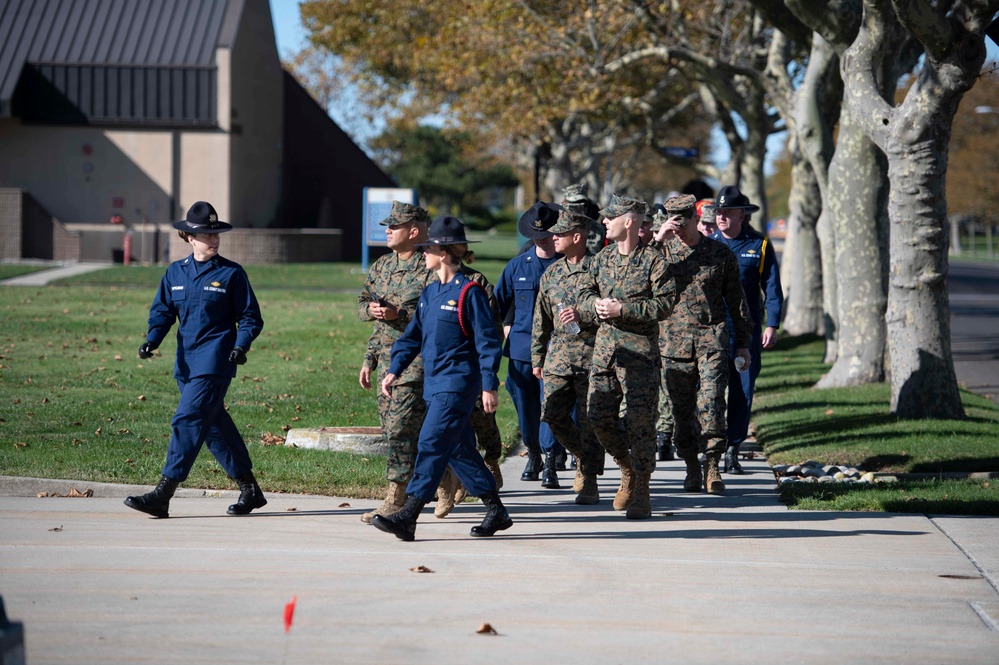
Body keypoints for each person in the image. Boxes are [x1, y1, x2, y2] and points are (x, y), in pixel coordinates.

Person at [373, 216, 510, 541]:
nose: (422, 254)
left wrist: (489, 384)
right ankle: (496, 509)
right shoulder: (431, 292)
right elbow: (412, 337)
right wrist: (394, 368)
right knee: (458, 448)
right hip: (434, 385)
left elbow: (488, 342)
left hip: (458, 385)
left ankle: (409, 514)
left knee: (431, 443)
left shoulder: (469, 293)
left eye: (428, 248)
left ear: (444, 252)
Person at [124, 201, 264, 518]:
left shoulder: (231, 274)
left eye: (216, 234)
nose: (213, 240)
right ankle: (250, 489)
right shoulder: (175, 272)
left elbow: (250, 318)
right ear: (189, 236)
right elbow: (162, 312)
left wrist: (241, 346)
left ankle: (163, 493)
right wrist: (151, 340)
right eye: (206, 235)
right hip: (185, 364)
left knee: (187, 420)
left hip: (216, 361)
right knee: (213, 426)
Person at [577, 194, 673, 519]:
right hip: (605, 354)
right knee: (598, 418)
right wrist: (595, 306)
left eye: (611, 217)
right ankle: (626, 465)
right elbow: (583, 292)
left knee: (641, 424)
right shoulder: (601, 258)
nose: (605, 221)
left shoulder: (654, 262)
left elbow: (665, 304)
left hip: (639, 358)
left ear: (628, 221)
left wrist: (624, 309)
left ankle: (642, 491)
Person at [652, 195, 753, 494]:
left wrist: (743, 344)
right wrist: (659, 239)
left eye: (683, 223)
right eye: (674, 224)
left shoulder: (720, 254)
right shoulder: (660, 254)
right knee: (681, 413)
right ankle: (691, 468)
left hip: (711, 341)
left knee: (711, 404)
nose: (679, 230)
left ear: (697, 219)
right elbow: (634, 275)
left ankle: (712, 465)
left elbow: (737, 301)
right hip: (672, 345)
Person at [356, 201, 433, 524]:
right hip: (386, 361)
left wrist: (400, 313)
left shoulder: (429, 267)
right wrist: (369, 358)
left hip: (417, 362)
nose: (387, 230)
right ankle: (443, 479)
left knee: (401, 430)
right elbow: (364, 305)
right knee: (395, 430)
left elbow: (436, 315)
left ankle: (396, 497)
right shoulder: (381, 267)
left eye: (395, 226)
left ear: (413, 232)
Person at [532, 208, 605, 504]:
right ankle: (581, 456)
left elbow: (611, 310)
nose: (554, 237)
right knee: (551, 413)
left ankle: (588, 477)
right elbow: (541, 318)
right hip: (559, 357)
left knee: (591, 421)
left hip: (593, 355)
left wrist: (584, 313)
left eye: (560, 233)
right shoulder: (552, 272)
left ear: (577, 237)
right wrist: (537, 357)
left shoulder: (599, 268)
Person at [711, 186, 784, 474]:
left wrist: (772, 324)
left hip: (746, 332)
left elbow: (772, 288)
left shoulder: (760, 245)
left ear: (742, 215)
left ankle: (733, 448)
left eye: (728, 213)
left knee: (742, 391)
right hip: (712, 332)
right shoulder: (708, 246)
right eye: (719, 213)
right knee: (711, 391)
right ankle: (712, 448)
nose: (722, 218)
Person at [495, 201, 564, 487]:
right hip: (522, 348)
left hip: (557, 349)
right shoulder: (517, 266)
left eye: (547, 236)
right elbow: (498, 305)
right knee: (525, 405)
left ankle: (550, 460)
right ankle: (533, 453)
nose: (543, 241)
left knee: (553, 405)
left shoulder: (568, 265)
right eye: (537, 237)